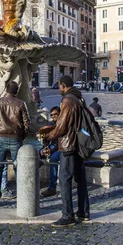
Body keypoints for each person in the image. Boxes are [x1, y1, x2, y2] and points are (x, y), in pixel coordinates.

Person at [46, 75, 89, 227]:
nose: (59, 89)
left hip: (68, 145)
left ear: (63, 85)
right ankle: (83, 212)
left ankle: (67, 215)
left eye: (59, 86)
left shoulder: (67, 100)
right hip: (78, 143)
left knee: (64, 180)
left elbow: (62, 126)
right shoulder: (79, 98)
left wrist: (49, 135)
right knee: (80, 179)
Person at [0, 80, 31, 208]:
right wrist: (21, 136)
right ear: (16, 91)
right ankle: (22, 196)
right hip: (16, 138)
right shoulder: (21, 104)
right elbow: (27, 123)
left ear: (6, 89)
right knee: (19, 168)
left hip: (0, 137)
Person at [39, 106, 61, 198]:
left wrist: (52, 150)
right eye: (52, 115)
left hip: (60, 148)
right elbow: (45, 139)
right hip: (52, 146)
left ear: (60, 114)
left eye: (55, 114)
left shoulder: (62, 124)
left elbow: (61, 141)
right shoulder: (50, 123)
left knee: (53, 158)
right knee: (36, 153)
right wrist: (45, 149)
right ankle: (34, 181)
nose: (54, 116)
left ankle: (52, 187)